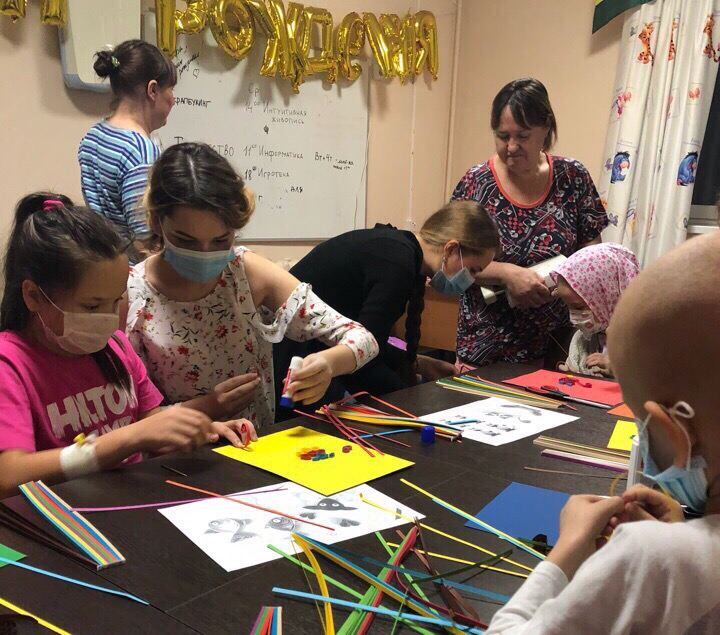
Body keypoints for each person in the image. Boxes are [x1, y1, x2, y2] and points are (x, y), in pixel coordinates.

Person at [459, 232, 720, 635]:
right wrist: (688, 520)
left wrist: (567, 553)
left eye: (638, 423)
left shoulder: (656, 562)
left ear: (671, 429)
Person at [0, 195, 254, 499]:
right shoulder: (9, 364)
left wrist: (200, 431)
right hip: (67, 515)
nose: (109, 320)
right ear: (33, 296)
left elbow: (152, 429)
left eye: (116, 300)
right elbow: (9, 476)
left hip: (130, 500)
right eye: (92, 306)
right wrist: (127, 438)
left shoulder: (115, 348)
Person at [125, 143, 379, 431]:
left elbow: (363, 340)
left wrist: (329, 363)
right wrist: (209, 407)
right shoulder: (131, 294)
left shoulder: (245, 274)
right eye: (185, 241)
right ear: (156, 222)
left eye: (221, 240)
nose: (205, 254)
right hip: (177, 453)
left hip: (255, 448)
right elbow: (129, 417)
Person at [274, 202, 499, 410]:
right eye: (472, 270)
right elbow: (363, 358)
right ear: (450, 249)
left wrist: (419, 363)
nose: (470, 280)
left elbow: (372, 343)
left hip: (310, 353)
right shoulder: (397, 263)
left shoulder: (400, 250)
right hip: (295, 361)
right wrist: (413, 404)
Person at [451, 78, 607, 366]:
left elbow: (592, 254)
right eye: (502, 136)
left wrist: (562, 283)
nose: (511, 147)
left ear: (546, 128)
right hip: (487, 346)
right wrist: (507, 274)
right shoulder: (476, 183)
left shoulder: (572, 177)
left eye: (522, 136)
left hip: (558, 343)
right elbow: (452, 263)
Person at [78, 40, 176, 259]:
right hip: (131, 272)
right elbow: (145, 243)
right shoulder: (141, 151)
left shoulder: (93, 135)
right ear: (153, 90)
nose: (173, 100)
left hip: (103, 263)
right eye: (171, 89)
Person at [550, 242, 639, 376]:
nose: (573, 317)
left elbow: (655, 381)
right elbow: (577, 370)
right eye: (568, 307)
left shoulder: (643, 340)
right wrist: (575, 376)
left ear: (608, 297)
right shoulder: (582, 339)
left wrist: (618, 369)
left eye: (578, 307)